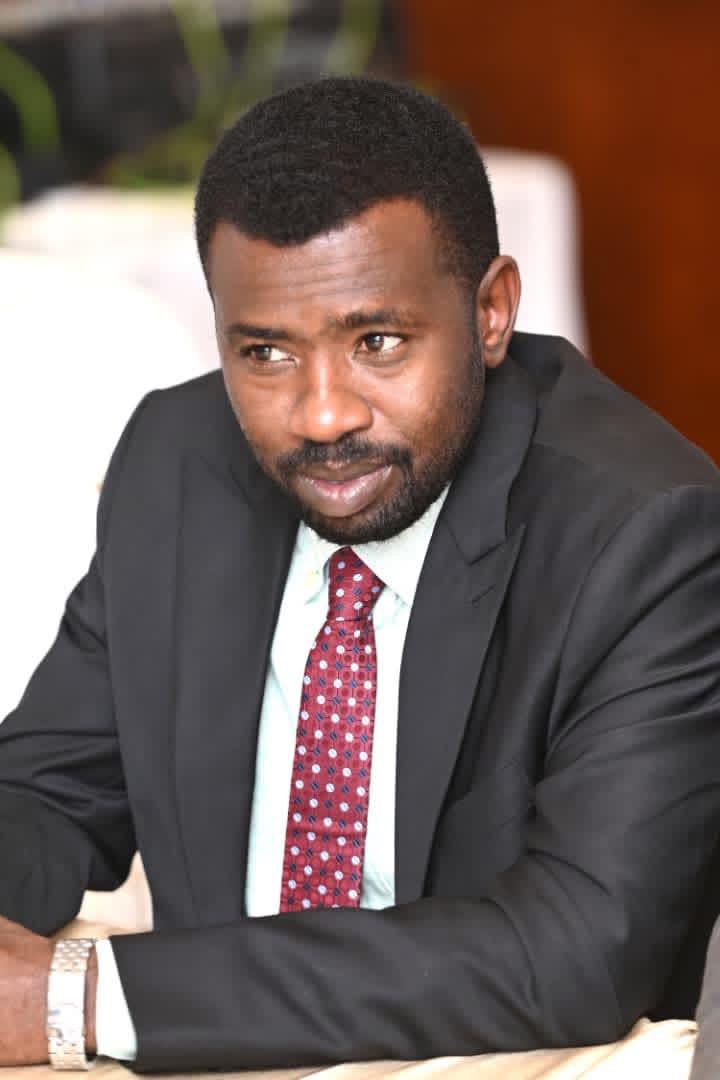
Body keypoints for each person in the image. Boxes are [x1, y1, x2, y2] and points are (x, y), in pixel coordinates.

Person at [1, 76, 720, 1073]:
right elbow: (45, 793)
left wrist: (76, 998)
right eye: (265, 352)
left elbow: (577, 951)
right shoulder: (179, 462)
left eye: (377, 342)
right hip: (204, 1047)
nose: (323, 414)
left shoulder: (645, 533)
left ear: (491, 311)